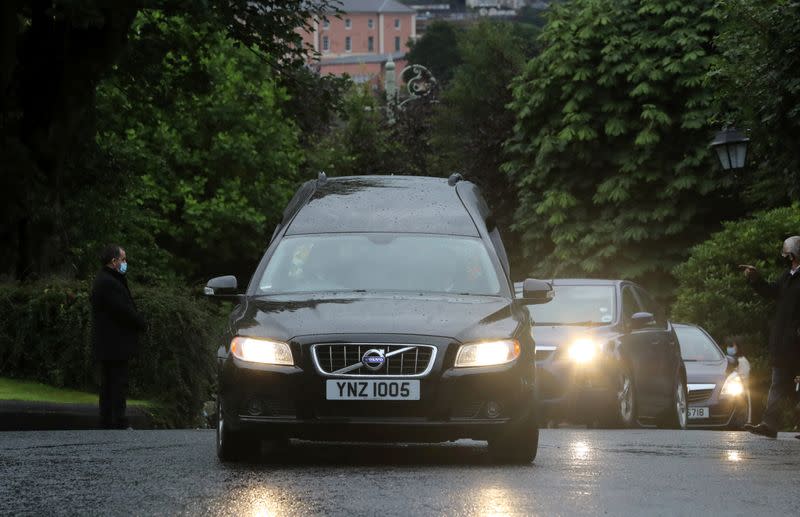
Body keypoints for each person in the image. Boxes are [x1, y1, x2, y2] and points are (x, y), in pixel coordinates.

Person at [740, 236, 800, 438]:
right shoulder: (788, 276)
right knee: (778, 383)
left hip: (797, 342)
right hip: (783, 343)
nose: (788, 259)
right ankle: (769, 424)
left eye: (788, 255)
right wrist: (756, 279)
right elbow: (771, 292)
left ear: (792, 255)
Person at [90, 245, 145, 429]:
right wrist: (140, 322)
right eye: (123, 259)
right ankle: (117, 420)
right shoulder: (109, 282)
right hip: (114, 343)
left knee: (109, 382)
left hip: (110, 342)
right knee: (117, 382)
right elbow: (123, 310)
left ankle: (107, 419)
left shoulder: (107, 280)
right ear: (114, 261)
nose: (125, 263)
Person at [724, 335, 752, 425]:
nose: (730, 348)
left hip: (741, 395)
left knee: (740, 419)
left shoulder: (742, 361)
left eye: (733, 346)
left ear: (738, 347)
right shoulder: (734, 361)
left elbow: (744, 379)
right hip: (738, 395)